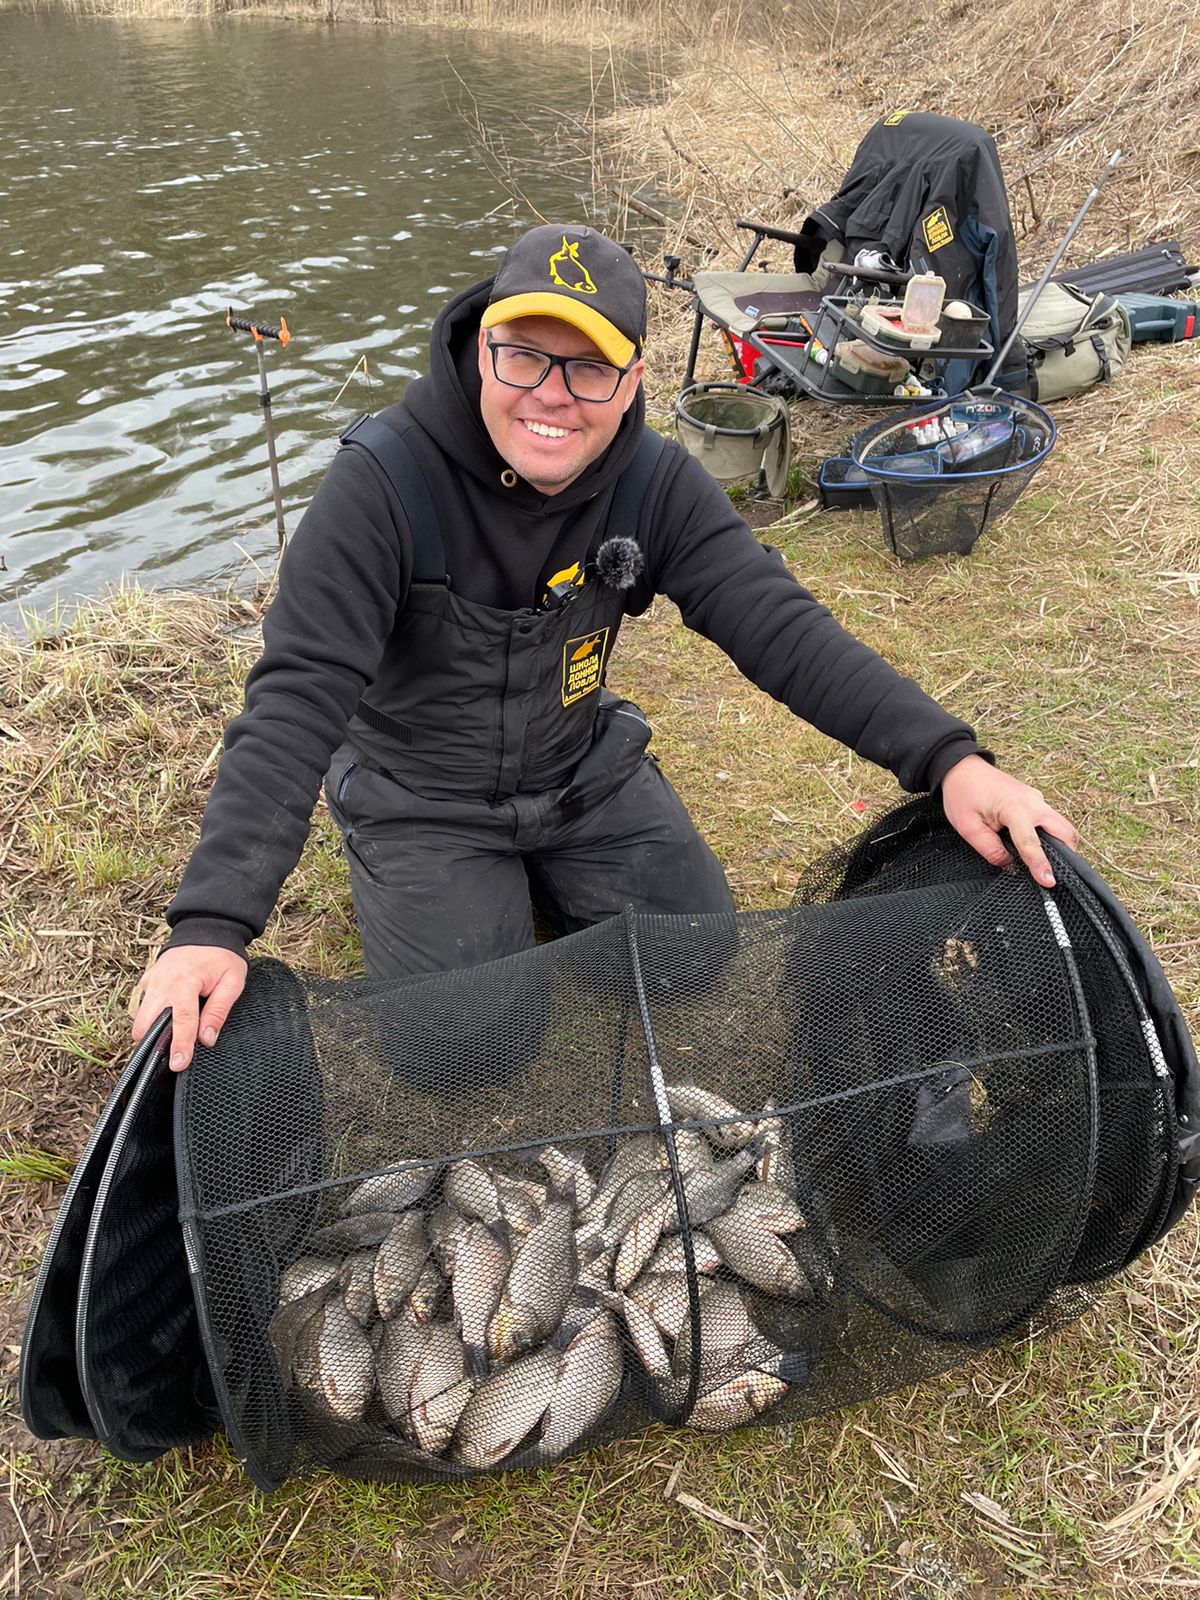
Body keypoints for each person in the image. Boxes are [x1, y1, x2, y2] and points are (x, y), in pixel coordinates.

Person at [132, 222, 1078, 1071]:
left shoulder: (656, 481)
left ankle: (549, 868)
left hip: (579, 769)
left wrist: (949, 759)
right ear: (479, 348)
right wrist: (213, 922)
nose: (553, 398)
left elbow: (779, 626)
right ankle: (426, 873)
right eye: (525, 359)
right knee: (465, 1049)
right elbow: (296, 697)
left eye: (589, 370)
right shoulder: (380, 483)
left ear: (631, 382)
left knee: (691, 960)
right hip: (424, 794)